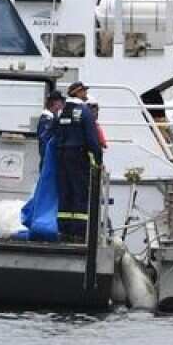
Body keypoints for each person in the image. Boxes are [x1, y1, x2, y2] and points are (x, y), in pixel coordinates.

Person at [56, 81, 104, 240]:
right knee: (81, 193)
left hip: (62, 157)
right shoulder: (84, 112)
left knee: (66, 192)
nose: (86, 94)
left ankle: (64, 229)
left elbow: (56, 135)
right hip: (79, 156)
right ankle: (80, 231)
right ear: (78, 92)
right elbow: (92, 139)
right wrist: (98, 160)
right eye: (84, 92)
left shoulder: (62, 112)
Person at [37, 90, 65, 167]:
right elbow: (45, 142)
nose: (63, 103)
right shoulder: (47, 120)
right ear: (55, 102)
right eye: (61, 101)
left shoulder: (53, 118)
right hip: (48, 160)